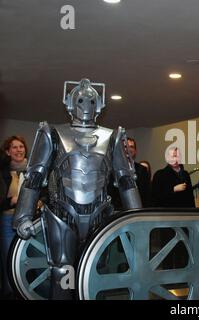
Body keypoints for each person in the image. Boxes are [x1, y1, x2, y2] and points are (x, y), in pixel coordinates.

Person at [13, 79, 142, 299]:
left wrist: (138, 220)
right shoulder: (53, 133)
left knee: (93, 272)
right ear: (70, 104)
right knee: (64, 272)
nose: (85, 106)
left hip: (100, 215)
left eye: (90, 101)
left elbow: (126, 180)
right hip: (61, 215)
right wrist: (23, 215)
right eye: (80, 100)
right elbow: (34, 177)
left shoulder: (112, 136)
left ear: (99, 105)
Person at [0, 136, 28, 298]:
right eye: (14, 147)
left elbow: (46, 195)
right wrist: (13, 201)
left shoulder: (35, 170)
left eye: (21, 147)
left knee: (30, 259)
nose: (19, 150)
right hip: (7, 221)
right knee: (8, 260)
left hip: (32, 220)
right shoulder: (3, 173)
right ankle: (10, 294)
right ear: (8, 151)